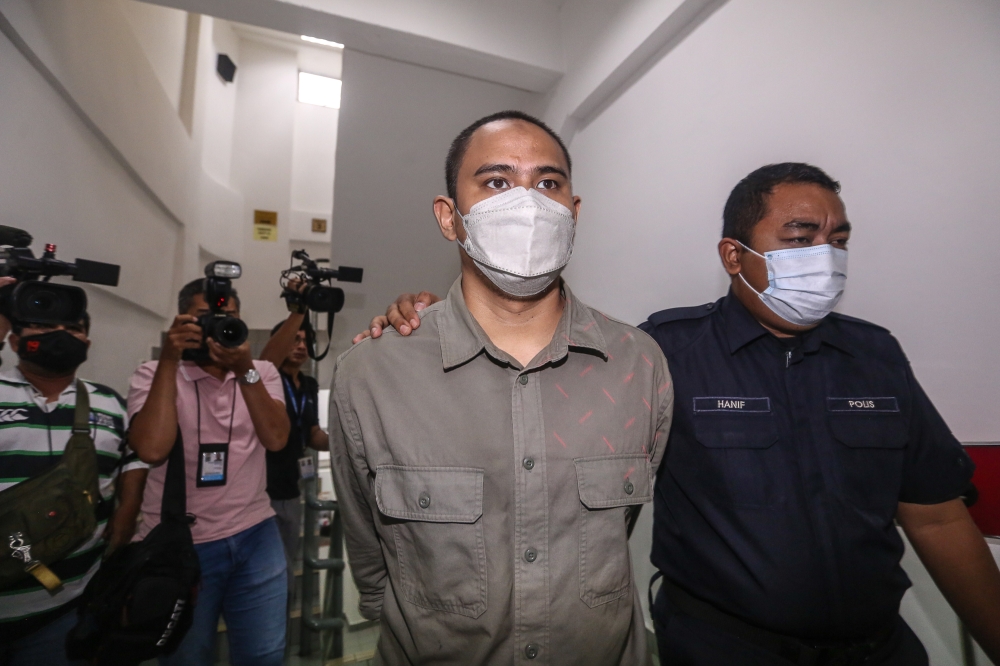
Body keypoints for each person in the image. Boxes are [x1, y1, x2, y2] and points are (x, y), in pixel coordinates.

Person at [357, 163, 1000, 665]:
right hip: (726, 649)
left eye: (839, 240)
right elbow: (536, 402)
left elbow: (938, 515)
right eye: (800, 239)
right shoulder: (662, 352)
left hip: (879, 648)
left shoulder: (875, 355)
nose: (824, 257)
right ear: (734, 256)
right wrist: (430, 324)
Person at [330, 110, 673, 665]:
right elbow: (369, 547)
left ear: (573, 212)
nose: (528, 203)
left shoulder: (638, 364)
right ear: (450, 217)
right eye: (496, 182)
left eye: (548, 183)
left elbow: (621, 526)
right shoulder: (372, 373)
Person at [127, 277, 291, 666]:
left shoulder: (261, 372)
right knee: (188, 657)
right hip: (181, 543)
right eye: (204, 318)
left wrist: (244, 369)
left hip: (255, 534)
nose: (216, 327)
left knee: (265, 655)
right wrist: (170, 359)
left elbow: (276, 439)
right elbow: (151, 449)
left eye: (227, 317)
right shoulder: (152, 373)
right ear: (181, 321)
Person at [0, 276, 148, 666]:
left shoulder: (109, 403)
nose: (60, 334)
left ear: (87, 343)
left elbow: (135, 457)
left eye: (74, 328)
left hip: (64, 610)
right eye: (43, 325)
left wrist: (128, 508)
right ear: (13, 340)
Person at [260, 313, 329, 597]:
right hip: (262, 490)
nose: (301, 346)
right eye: (294, 339)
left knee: (286, 566)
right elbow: (261, 366)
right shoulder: (265, 380)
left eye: (306, 341)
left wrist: (345, 441)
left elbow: (312, 434)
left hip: (291, 488)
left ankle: (282, 618)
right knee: (270, 571)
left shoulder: (309, 385)